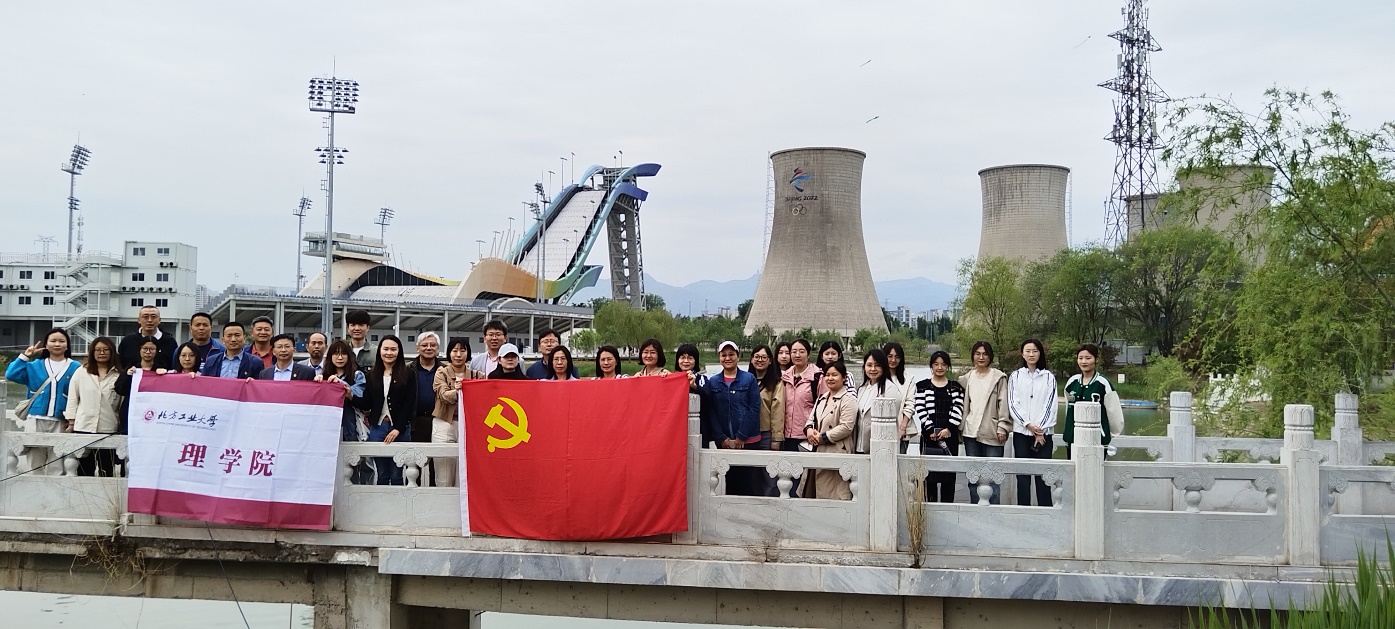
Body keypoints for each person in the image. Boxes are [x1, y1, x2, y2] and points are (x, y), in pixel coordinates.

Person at [7, 328, 82, 475]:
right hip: (35, 419)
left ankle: (56, 490)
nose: (57, 344)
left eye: (61, 341)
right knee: (35, 464)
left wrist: (72, 420)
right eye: (53, 341)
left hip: (61, 421)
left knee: (58, 465)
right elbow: (11, 374)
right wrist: (25, 356)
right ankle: (35, 490)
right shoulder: (34, 366)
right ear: (46, 345)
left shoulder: (76, 367)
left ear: (67, 345)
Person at [958, 341, 1011, 504]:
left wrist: (1003, 426)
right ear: (973, 356)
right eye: (977, 354)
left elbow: (1003, 403)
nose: (981, 357)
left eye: (985, 354)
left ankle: (992, 512)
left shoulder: (998, 377)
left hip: (992, 431)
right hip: (970, 432)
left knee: (992, 476)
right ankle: (975, 510)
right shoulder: (967, 378)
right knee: (973, 476)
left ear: (990, 356)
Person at [705, 341, 761, 495]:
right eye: (724, 355)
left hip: (748, 440)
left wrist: (741, 436)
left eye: (731, 354)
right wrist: (721, 437)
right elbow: (712, 410)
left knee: (748, 482)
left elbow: (754, 408)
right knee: (730, 481)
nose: (727, 358)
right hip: (725, 441)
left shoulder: (749, 379)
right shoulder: (713, 381)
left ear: (738, 356)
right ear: (719, 358)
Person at [64, 336, 122, 477]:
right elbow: (73, 398)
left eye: (106, 349)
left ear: (112, 352)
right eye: (98, 350)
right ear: (92, 352)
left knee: (106, 469)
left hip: (108, 427)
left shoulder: (119, 374)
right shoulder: (81, 372)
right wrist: (71, 422)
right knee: (84, 469)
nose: (102, 353)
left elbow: (122, 403)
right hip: (84, 426)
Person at [1008, 339, 1058, 506]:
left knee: (1043, 476)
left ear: (1040, 353)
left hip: (1044, 435)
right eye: (1028, 351)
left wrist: (1039, 430)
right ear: (1022, 354)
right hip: (1021, 433)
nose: (1031, 354)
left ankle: (1045, 511)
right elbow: (1013, 404)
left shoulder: (1048, 377)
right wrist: (1028, 424)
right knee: (1023, 477)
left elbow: (1050, 405)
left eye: (1035, 351)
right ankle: (1024, 511)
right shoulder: (1015, 376)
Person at [913, 351, 965, 503]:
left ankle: (947, 507)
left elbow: (958, 409)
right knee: (929, 476)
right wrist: (930, 429)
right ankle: (930, 508)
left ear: (948, 366)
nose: (939, 367)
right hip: (929, 438)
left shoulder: (955, 387)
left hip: (949, 437)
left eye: (943, 364)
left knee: (948, 476)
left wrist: (948, 429)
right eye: (936, 364)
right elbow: (920, 408)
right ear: (931, 366)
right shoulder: (922, 386)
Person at [801, 362, 858, 500]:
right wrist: (809, 431)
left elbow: (846, 427)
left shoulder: (848, 399)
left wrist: (823, 437)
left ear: (844, 377)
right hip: (818, 450)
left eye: (834, 375)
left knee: (834, 492)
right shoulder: (822, 398)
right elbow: (811, 419)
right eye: (827, 375)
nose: (830, 378)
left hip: (837, 450)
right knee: (814, 492)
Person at [363, 335, 416, 485]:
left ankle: (399, 501)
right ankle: (383, 500)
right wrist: (349, 395)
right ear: (380, 351)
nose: (389, 353)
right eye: (385, 349)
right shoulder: (372, 375)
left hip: (400, 428)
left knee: (396, 473)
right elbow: (366, 402)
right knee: (382, 473)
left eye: (393, 349)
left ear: (399, 351)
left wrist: (398, 428)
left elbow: (410, 403)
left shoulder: (408, 373)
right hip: (378, 428)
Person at [433, 338, 484, 487]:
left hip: (469, 426)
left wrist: (466, 387)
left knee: (465, 474)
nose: (458, 354)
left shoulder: (477, 375)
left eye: (462, 350)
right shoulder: (441, 372)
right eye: (454, 350)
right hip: (444, 423)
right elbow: (443, 395)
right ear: (449, 353)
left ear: (468, 353)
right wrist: (457, 391)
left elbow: (482, 399)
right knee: (444, 473)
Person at [1062, 344, 1116, 459]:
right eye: (1080, 358)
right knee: (1074, 468)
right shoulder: (1072, 382)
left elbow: (1114, 412)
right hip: (1073, 437)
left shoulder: (1103, 383)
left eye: (1088, 358)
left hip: (1098, 438)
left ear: (1096, 359)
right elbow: (1068, 408)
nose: (1084, 361)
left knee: (1096, 468)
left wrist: (1110, 435)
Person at [115, 336, 167, 436]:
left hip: (153, 412)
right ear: (139, 350)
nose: (148, 352)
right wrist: (128, 376)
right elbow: (119, 389)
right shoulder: (131, 367)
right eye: (145, 349)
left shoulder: (162, 368)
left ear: (157, 351)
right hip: (131, 411)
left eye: (152, 349)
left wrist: (163, 376)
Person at [322, 340, 368, 444]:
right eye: (336, 354)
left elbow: (359, 393)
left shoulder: (357, 375)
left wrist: (339, 383)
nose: (340, 357)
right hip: (328, 425)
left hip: (351, 425)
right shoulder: (324, 377)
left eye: (343, 354)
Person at [854, 349, 898, 454]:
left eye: (877, 365)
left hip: (880, 448)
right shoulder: (861, 388)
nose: (873, 369)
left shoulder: (890, 389)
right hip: (858, 445)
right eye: (869, 365)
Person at [779, 339, 819, 452]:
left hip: (808, 435)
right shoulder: (784, 377)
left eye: (801, 351)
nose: (797, 355)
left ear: (808, 354)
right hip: (786, 435)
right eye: (794, 351)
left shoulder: (817, 377)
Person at [675, 343, 715, 447]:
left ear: (695, 360)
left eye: (690, 358)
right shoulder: (671, 379)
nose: (686, 361)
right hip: (676, 427)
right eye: (682, 357)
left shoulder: (702, 379)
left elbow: (708, 399)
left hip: (700, 427)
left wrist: (695, 386)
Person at [883, 342, 919, 452]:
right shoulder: (878, 377)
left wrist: (902, 427)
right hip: (880, 429)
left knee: (900, 460)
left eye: (897, 357)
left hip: (901, 430)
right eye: (890, 356)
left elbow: (910, 404)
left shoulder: (908, 379)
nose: (893, 360)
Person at [747, 344, 784, 452]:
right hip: (746, 433)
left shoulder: (776, 383)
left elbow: (777, 411)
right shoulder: (745, 381)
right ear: (752, 359)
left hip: (766, 434)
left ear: (770, 361)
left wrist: (776, 439)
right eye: (757, 357)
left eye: (764, 357)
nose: (760, 360)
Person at [119, 305, 178, 371]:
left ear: (159, 320)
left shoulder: (170, 342)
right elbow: (121, 366)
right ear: (139, 320)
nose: (149, 320)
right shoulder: (127, 342)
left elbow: (175, 366)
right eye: (145, 317)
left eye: (153, 317)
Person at [409, 332, 442, 443]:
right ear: (417, 348)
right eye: (424, 345)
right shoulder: (407, 370)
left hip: (439, 422)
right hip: (414, 422)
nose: (429, 348)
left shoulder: (445, 370)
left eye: (433, 345)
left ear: (437, 348)